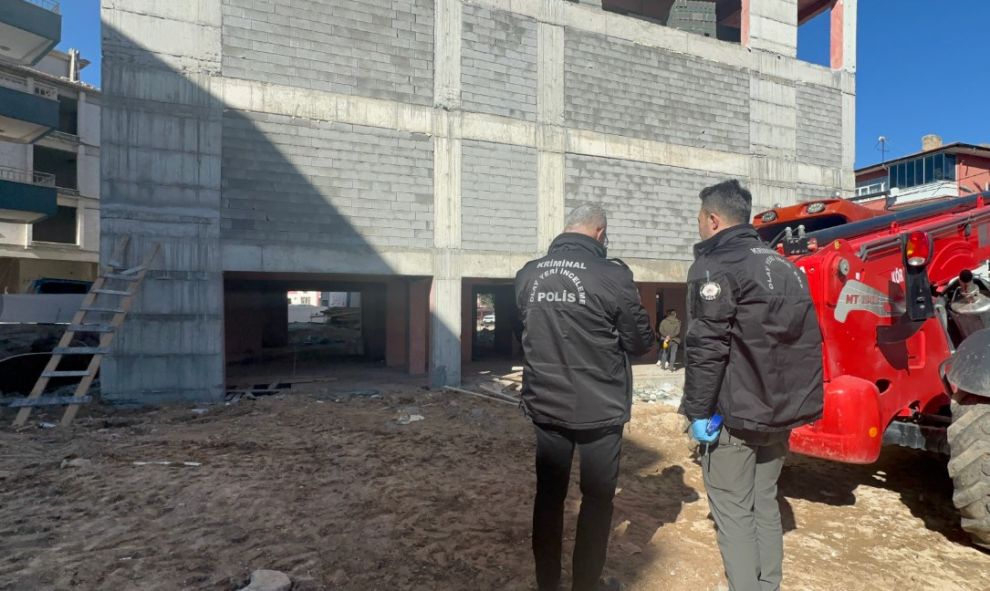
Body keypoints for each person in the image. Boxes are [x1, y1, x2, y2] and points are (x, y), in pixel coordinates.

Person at [681, 180, 824, 591]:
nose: (699, 226)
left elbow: (707, 346)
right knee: (764, 502)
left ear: (713, 219)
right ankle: (767, 585)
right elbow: (803, 343)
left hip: (735, 416)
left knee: (733, 512)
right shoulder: (787, 268)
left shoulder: (716, 265)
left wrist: (697, 412)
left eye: (699, 219)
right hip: (777, 414)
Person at [515, 204, 654, 591]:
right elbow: (640, 341)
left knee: (549, 497)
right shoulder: (612, 275)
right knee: (596, 501)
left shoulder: (528, 274)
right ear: (599, 233)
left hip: (547, 404)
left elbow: (521, 330)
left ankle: (547, 584)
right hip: (599, 409)